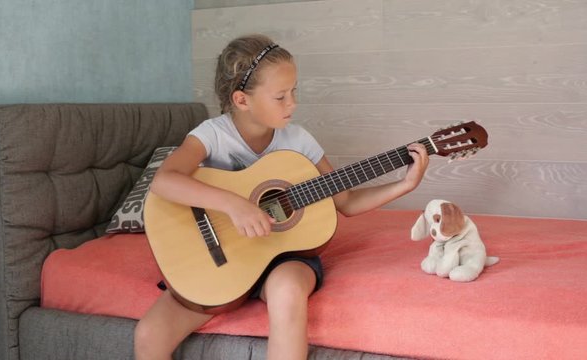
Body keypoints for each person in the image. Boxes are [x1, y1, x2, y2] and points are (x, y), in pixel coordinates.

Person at [134, 34, 429, 360]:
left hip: (287, 258)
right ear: (242, 100)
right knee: (149, 334)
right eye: (281, 96)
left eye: (294, 92)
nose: (293, 103)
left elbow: (344, 202)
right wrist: (234, 205)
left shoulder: (299, 141)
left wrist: (404, 185)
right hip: (224, 259)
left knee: (287, 291)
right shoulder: (212, 135)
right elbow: (164, 181)